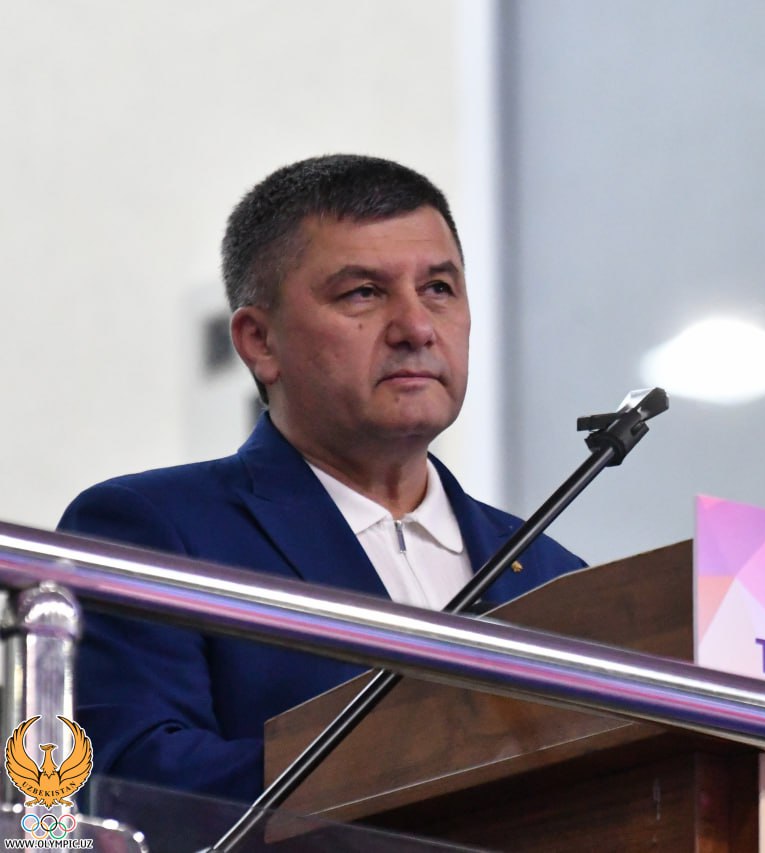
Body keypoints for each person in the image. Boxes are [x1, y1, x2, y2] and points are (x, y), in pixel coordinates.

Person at [58, 154, 586, 802]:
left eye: (439, 288)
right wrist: (432, 760)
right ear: (260, 341)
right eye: (363, 292)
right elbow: (126, 783)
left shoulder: (555, 575)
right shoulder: (154, 530)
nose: (416, 327)